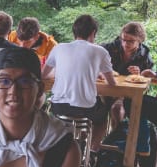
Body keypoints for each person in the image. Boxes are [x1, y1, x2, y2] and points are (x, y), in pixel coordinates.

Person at [42, 14, 116, 151]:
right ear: (93, 33)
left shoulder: (59, 48)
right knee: (102, 117)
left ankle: (73, 147)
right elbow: (111, 83)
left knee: (74, 113)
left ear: (74, 32)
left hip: (58, 107)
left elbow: (44, 74)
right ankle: (92, 150)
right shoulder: (100, 51)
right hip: (86, 109)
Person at [101, 21, 154, 127]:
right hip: (105, 90)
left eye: (131, 41)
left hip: (125, 95)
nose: (125, 44)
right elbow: (93, 58)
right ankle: (93, 142)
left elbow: (145, 87)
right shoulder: (109, 48)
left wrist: (139, 75)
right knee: (94, 108)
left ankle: (116, 137)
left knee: (117, 109)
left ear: (140, 40)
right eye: (123, 39)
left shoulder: (144, 57)